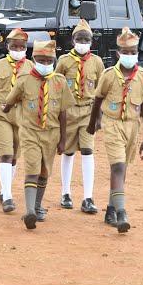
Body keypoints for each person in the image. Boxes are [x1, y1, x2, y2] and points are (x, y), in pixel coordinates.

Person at [86, 27, 143, 233]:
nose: (130, 56)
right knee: (117, 167)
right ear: (118, 54)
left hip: (132, 126)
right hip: (112, 124)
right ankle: (122, 213)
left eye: (133, 52)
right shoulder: (108, 75)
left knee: (122, 169)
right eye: (125, 52)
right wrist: (93, 123)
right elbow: (97, 100)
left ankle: (110, 209)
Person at [2, 40, 75, 230]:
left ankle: (37, 205)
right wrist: (6, 107)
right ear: (34, 59)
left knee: (44, 171)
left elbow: (63, 113)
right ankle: (30, 212)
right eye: (41, 60)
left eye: (48, 60)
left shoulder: (59, 82)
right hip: (30, 132)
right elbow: (10, 100)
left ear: (53, 60)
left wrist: (63, 140)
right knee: (32, 169)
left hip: (51, 134)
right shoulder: (25, 80)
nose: (44, 63)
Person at [0, 28, 34, 212]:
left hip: (22, 116)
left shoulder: (31, 68)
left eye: (21, 46)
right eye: (14, 46)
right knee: (5, 153)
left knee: (14, 157)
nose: (18, 49)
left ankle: (4, 189)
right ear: (7, 46)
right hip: (1, 113)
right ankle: (8, 198)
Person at [55, 19, 105, 213]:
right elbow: (56, 86)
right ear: (72, 40)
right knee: (67, 152)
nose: (82, 42)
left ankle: (88, 197)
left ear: (91, 41)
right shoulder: (64, 61)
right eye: (79, 39)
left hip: (88, 111)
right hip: (68, 112)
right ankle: (65, 193)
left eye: (86, 39)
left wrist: (99, 117)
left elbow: (101, 91)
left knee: (87, 151)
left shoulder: (97, 62)